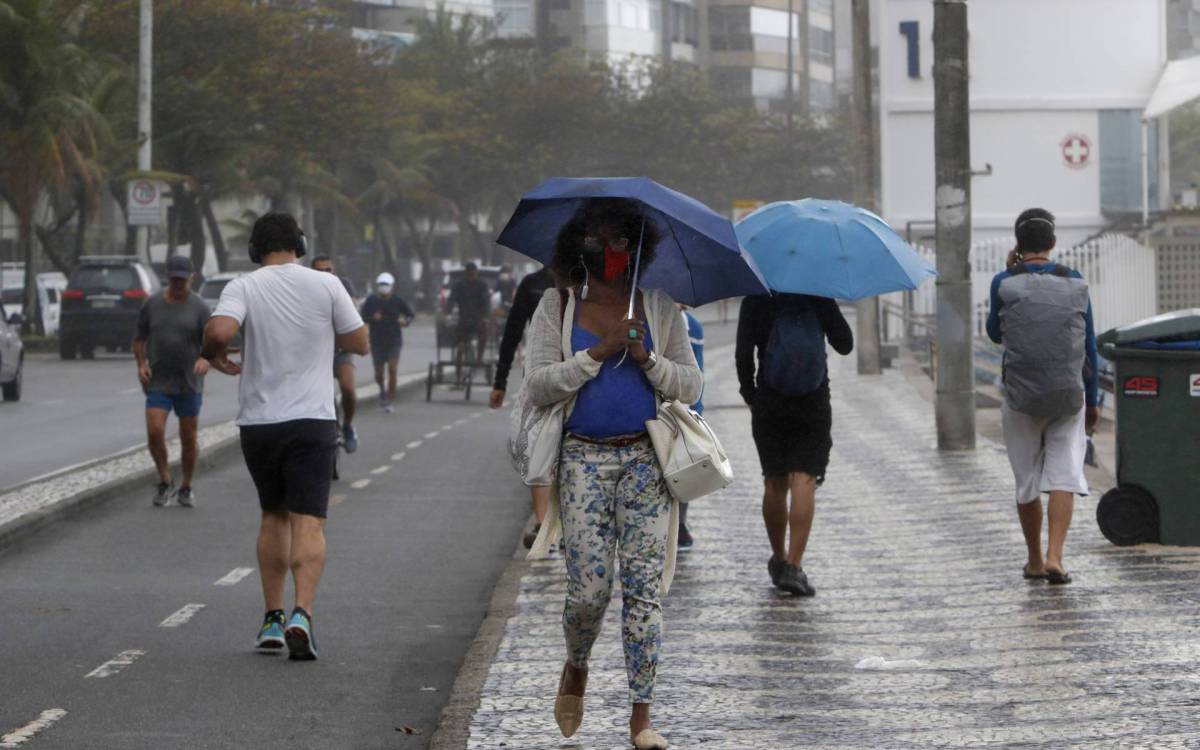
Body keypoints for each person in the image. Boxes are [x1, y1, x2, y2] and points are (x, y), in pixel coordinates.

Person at [525, 198, 701, 750]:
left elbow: (690, 387)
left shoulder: (660, 306)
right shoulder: (557, 306)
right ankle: (576, 661)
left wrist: (650, 359)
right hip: (582, 461)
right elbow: (538, 386)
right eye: (598, 243)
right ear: (579, 246)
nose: (610, 254)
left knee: (645, 594)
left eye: (622, 242)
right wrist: (596, 353)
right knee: (589, 592)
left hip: (646, 462)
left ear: (639, 248)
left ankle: (641, 718)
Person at [202, 212, 368, 660]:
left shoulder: (243, 286)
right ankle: (302, 614)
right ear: (299, 243)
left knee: (273, 515)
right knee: (308, 521)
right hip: (312, 420)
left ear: (256, 249)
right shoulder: (326, 284)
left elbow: (220, 331)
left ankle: (271, 618)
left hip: (259, 422)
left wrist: (213, 356)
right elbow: (360, 343)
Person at [986, 208, 1100, 586]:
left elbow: (995, 334)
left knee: (1026, 481)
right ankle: (1056, 557)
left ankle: (1034, 559)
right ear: (1052, 244)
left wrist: (1010, 272)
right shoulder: (1076, 281)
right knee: (1065, 475)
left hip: (1020, 396)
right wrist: (1094, 399)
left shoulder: (1003, 282)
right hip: (1069, 394)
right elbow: (1089, 346)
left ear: (1019, 245)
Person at [736, 292, 853, 597]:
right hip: (813, 402)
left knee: (774, 482)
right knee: (804, 479)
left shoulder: (756, 298)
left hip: (769, 401)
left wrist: (753, 397)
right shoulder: (818, 294)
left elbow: (742, 355)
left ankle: (778, 557)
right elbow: (845, 344)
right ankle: (794, 565)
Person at [132, 255, 210, 507]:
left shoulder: (199, 307)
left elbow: (211, 342)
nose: (178, 284)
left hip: (188, 381)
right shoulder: (152, 304)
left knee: (188, 437)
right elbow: (139, 338)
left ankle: (186, 484)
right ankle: (165, 480)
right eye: (174, 279)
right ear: (168, 277)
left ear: (191, 278)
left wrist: (205, 359)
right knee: (155, 431)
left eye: (182, 280)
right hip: (158, 380)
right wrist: (141, 363)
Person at [489, 266, 555, 548]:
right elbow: (513, 331)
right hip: (538, 377)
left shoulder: (588, 281)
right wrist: (500, 381)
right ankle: (543, 524)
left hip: (580, 376)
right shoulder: (532, 284)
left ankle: (560, 521)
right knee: (535, 446)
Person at [311, 256, 360, 451]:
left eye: (328, 270)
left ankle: (348, 425)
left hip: (340, 347)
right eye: (320, 271)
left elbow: (353, 313)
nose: (325, 274)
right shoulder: (306, 288)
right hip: (315, 349)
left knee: (348, 387)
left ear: (334, 271)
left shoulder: (344, 286)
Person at [360, 272, 414, 414]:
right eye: (381, 285)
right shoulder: (371, 301)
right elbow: (362, 316)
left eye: (386, 285)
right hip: (377, 340)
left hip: (394, 339)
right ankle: (382, 391)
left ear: (391, 286)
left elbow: (410, 315)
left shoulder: (398, 301)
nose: (383, 287)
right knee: (378, 372)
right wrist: (372, 318)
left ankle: (389, 398)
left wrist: (405, 321)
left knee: (392, 368)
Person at [677, 306, 705, 551]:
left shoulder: (692, 326)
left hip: (683, 410)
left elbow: (699, 373)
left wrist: (696, 411)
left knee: (682, 470)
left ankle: (680, 525)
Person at [449, 261, 491, 383]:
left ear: (476, 273)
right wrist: (447, 311)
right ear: (466, 273)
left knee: (483, 335)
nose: (471, 276)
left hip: (478, 319)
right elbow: (452, 299)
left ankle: (479, 357)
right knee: (460, 346)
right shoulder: (459, 285)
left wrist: (485, 316)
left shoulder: (482, 285)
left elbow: (486, 302)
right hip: (463, 320)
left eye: (473, 274)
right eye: (469, 274)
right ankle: (458, 374)